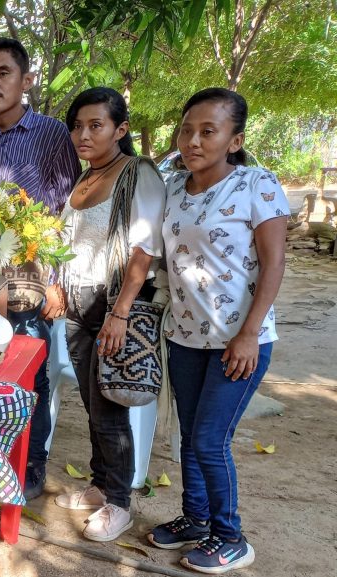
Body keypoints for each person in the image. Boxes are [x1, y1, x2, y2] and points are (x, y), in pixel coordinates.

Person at [146, 88, 286, 575]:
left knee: (209, 440)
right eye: (187, 130)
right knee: (190, 437)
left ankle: (232, 537)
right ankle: (197, 518)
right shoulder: (173, 187)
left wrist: (248, 333)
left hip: (239, 341)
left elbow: (274, 263)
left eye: (209, 131)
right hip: (184, 336)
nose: (193, 140)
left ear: (234, 139)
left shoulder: (256, 184)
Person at [0, 37, 82, 500]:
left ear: (25, 80)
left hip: (33, 283)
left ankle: (30, 467)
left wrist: (57, 284)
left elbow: (69, 214)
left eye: (3, 73)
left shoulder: (53, 135)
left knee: (31, 378)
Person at [51, 88, 166, 542]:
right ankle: (101, 486)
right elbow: (68, 241)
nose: (83, 134)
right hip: (78, 303)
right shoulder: (84, 178)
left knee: (112, 404)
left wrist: (119, 314)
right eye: (77, 125)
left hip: (113, 302)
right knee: (93, 402)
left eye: (95, 125)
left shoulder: (137, 174)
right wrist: (57, 285)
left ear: (120, 130)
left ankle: (119, 502)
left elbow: (143, 249)